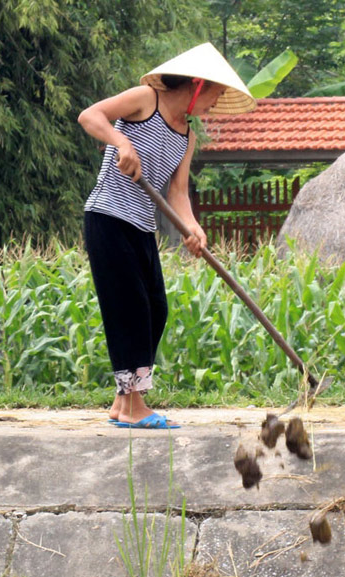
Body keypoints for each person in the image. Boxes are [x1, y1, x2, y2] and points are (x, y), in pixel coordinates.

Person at [78, 43, 256, 429]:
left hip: (142, 226)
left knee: (156, 307)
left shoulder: (186, 136)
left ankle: (122, 401)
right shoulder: (146, 100)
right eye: (215, 94)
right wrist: (122, 142)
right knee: (130, 308)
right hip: (108, 216)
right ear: (197, 84)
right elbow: (90, 116)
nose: (214, 103)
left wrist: (192, 228)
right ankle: (134, 406)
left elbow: (177, 194)